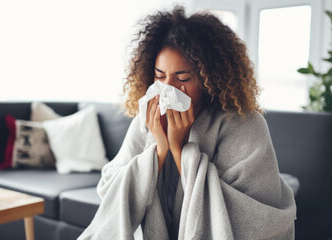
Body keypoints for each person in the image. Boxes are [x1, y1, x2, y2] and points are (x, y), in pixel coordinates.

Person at [78, 5, 296, 240]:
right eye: (160, 76)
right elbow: (109, 188)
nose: (168, 88)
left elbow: (256, 217)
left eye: (182, 78)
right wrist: (159, 151)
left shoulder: (244, 124)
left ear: (208, 79)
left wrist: (181, 150)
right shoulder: (149, 118)